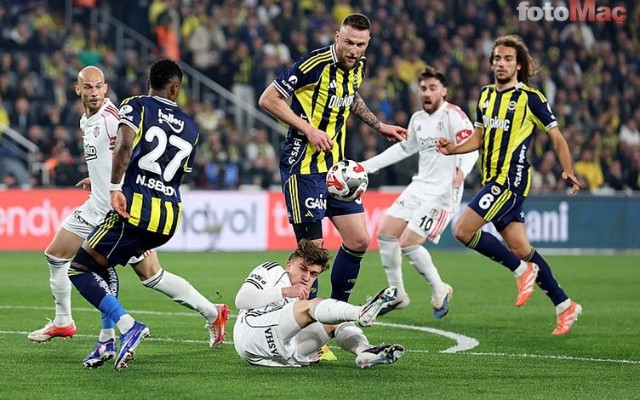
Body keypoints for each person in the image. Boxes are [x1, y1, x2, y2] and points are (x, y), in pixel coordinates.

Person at [28, 66, 229, 367]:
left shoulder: (114, 117)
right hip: (101, 204)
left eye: (98, 87)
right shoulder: (88, 119)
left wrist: (115, 188)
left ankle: (111, 336)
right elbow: (116, 158)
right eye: (88, 87)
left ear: (106, 88)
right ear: (77, 90)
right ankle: (64, 320)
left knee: (140, 274)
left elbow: (128, 150)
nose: (94, 92)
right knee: (57, 255)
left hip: (118, 207)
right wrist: (97, 178)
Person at [62, 59, 204, 371]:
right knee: (120, 268)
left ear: (148, 82)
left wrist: (114, 187)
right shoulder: (192, 127)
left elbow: (124, 147)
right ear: (176, 89)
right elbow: (178, 175)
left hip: (134, 209)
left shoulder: (135, 105)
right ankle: (106, 340)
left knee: (80, 269)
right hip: (168, 216)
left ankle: (128, 327)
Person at [435, 35, 583, 335]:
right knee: (520, 247)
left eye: (508, 59)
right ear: (491, 63)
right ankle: (564, 304)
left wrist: (567, 169)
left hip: (510, 180)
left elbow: (556, 137)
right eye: (497, 59)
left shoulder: (531, 98)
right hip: (492, 179)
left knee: (462, 230)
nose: (501, 64)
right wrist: (454, 149)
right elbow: (479, 137)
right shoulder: (485, 95)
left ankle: (521, 271)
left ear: (518, 65)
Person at [258, 13, 407, 303]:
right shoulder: (313, 64)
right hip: (303, 167)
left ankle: (336, 311)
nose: (354, 50)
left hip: (336, 172)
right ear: (337, 37)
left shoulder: (358, 66)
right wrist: (308, 129)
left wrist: (379, 125)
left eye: (360, 45)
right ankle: (305, 321)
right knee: (312, 254)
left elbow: (350, 96)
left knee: (359, 240)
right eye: (349, 42)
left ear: (368, 43)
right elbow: (268, 99)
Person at [360, 66, 479, 318]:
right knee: (385, 233)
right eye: (423, 88)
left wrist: (463, 170)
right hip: (420, 185)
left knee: (408, 242)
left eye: (433, 88)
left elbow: (473, 145)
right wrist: (366, 167)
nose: (427, 92)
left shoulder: (453, 116)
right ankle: (398, 294)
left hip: (444, 191)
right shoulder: (418, 119)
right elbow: (404, 148)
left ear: (444, 91)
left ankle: (440, 289)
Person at [233, 239, 405, 368]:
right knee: (311, 306)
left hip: (281, 354)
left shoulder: (300, 295)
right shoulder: (272, 270)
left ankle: (365, 351)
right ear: (288, 265)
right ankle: (360, 312)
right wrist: (284, 291)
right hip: (251, 336)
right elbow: (241, 300)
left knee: (336, 321)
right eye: (303, 269)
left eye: (314, 274)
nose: (307, 278)